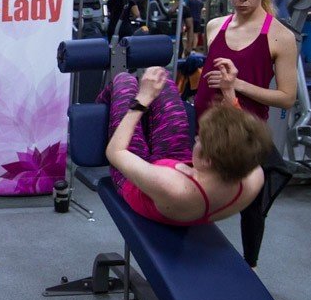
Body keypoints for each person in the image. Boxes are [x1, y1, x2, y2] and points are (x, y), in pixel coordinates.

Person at [192, 0, 299, 268]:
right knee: (197, 192)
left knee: (251, 205)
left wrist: (237, 84)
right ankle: (190, 258)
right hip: (205, 124)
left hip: (245, 130)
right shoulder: (215, 26)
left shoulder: (280, 36)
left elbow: (286, 98)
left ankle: (250, 265)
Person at [102, 64, 271, 225]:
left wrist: (142, 100)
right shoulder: (253, 177)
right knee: (163, 79)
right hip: (179, 165)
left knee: (125, 80)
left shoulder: (174, 187)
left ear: (208, 160)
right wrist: (228, 91)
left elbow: (116, 152)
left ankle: (98, 109)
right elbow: (241, 137)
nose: (195, 139)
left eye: (199, 139)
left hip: (135, 181)